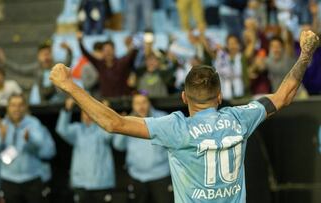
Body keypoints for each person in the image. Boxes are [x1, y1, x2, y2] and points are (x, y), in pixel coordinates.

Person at [49, 30, 319, 202]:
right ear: (219, 96)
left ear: (183, 98)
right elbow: (284, 96)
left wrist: (70, 85)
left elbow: (113, 122)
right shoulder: (240, 118)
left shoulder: (175, 128)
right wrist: (305, 54)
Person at [0, 94, 56, 203]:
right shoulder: (1, 125)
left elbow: (42, 146)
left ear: (25, 107)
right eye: (13, 105)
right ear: (8, 107)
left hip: (32, 178)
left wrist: (29, 140)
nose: (17, 108)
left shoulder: (34, 123)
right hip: (8, 179)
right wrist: (0, 139)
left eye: (20, 105)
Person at [113, 93, 173, 203]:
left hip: (161, 175)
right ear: (133, 106)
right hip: (136, 176)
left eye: (144, 102)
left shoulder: (163, 118)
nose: (141, 106)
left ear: (149, 103)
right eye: (137, 103)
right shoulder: (127, 121)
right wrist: (123, 122)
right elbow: (118, 146)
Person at [56, 98, 115, 203]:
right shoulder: (77, 130)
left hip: (102, 183)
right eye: (84, 112)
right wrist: (67, 110)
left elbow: (111, 132)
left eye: (90, 113)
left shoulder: (103, 129)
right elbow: (61, 129)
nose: (87, 116)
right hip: (80, 183)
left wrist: (106, 111)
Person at [0, 42, 72, 102]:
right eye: (43, 54)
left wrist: (69, 51)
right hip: (43, 99)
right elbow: (20, 69)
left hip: (59, 98)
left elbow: (67, 63)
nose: (46, 57)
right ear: (38, 56)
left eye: (48, 54)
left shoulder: (57, 66)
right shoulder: (36, 68)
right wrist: (5, 61)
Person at [78, 32, 138, 97]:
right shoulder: (99, 64)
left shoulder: (121, 62)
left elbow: (132, 54)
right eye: (106, 50)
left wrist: (132, 44)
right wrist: (80, 41)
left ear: (114, 50)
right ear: (102, 52)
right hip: (106, 102)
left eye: (110, 50)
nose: (108, 52)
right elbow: (86, 54)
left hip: (122, 100)